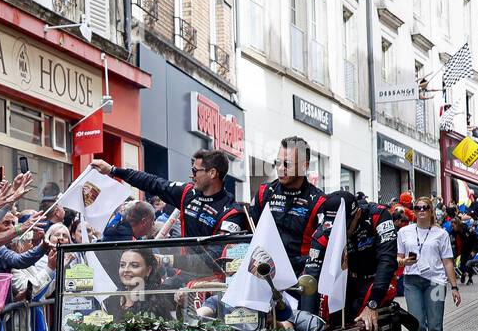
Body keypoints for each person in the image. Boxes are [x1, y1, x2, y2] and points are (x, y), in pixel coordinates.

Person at [302, 191, 398, 331]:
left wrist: (372, 304)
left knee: (363, 318)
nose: (339, 232)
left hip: (374, 279)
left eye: (344, 226)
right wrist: (306, 322)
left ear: (358, 213)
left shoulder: (378, 215)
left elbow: (387, 260)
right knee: (329, 321)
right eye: (334, 228)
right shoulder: (323, 232)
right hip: (344, 280)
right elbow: (311, 276)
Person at [91, 149, 246, 238]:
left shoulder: (231, 212)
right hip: (181, 276)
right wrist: (113, 170)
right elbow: (151, 182)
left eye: (195, 171)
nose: (191, 176)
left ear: (212, 173)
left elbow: (219, 253)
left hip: (211, 283)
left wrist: (170, 259)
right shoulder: (187, 193)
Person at [397, 196, 461, 331]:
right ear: (414, 211)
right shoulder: (404, 232)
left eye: (425, 207)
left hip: (437, 282)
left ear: (431, 210)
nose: (421, 210)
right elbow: (398, 258)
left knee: (435, 326)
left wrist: (454, 287)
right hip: (412, 281)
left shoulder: (441, 234)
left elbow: (448, 262)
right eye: (418, 207)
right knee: (416, 325)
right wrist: (403, 261)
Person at [250, 137, 327, 274]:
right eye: (277, 162)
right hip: (264, 274)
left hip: (299, 280)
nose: (280, 168)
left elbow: (322, 250)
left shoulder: (318, 201)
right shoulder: (265, 192)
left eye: (287, 164)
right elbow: (249, 234)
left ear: (305, 165)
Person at [101, 248, 176, 320]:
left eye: (134, 265)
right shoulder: (111, 300)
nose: (126, 270)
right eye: (122, 265)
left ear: (148, 270)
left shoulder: (157, 303)